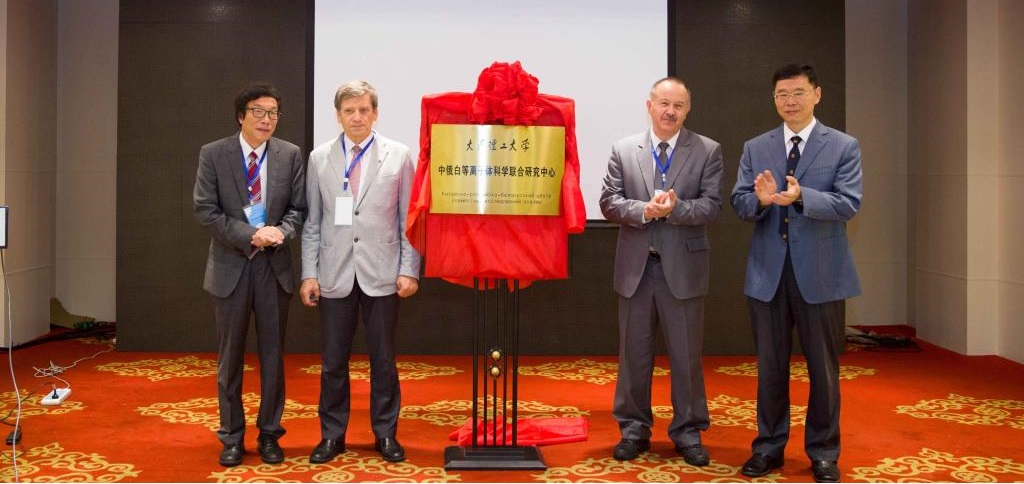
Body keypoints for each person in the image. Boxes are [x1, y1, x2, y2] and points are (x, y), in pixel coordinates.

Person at [729, 63, 862, 483]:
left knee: (823, 369)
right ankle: (768, 447)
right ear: (774, 99)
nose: (790, 101)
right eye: (782, 95)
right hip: (767, 274)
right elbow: (739, 203)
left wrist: (803, 197)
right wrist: (761, 200)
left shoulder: (842, 146)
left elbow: (849, 203)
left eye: (798, 93)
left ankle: (823, 452)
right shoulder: (756, 146)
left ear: (817, 95)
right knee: (770, 367)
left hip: (821, 273)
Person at [599, 77, 723, 466]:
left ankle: (688, 432)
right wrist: (644, 210)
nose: (671, 112)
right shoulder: (623, 149)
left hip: (683, 270)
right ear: (649, 105)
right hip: (636, 270)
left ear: (688, 110)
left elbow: (712, 206)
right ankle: (633, 430)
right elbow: (608, 202)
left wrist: (676, 209)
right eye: (664, 104)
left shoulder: (707, 150)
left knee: (686, 357)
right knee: (633, 356)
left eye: (679, 106)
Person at [301, 80, 420, 464]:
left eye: (364, 110)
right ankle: (332, 435)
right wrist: (309, 274)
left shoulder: (398, 156)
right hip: (334, 273)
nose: (357, 117)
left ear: (375, 113)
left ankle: (385, 433)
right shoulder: (319, 158)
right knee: (333, 361)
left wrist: (409, 269)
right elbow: (313, 223)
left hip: (383, 273)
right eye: (349, 111)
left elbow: (408, 221)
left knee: (383, 360)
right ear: (337, 115)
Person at [193, 83, 307, 467]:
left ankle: (270, 434)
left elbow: (298, 209)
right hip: (231, 268)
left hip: (274, 270)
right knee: (230, 360)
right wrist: (250, 235)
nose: (266, 119)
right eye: (258, 111)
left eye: (273, 113)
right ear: (241, 115)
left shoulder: (290, 154)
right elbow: (205, 210)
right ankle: (232, 436)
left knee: (273, 358)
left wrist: (281, 232)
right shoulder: (214, 154)